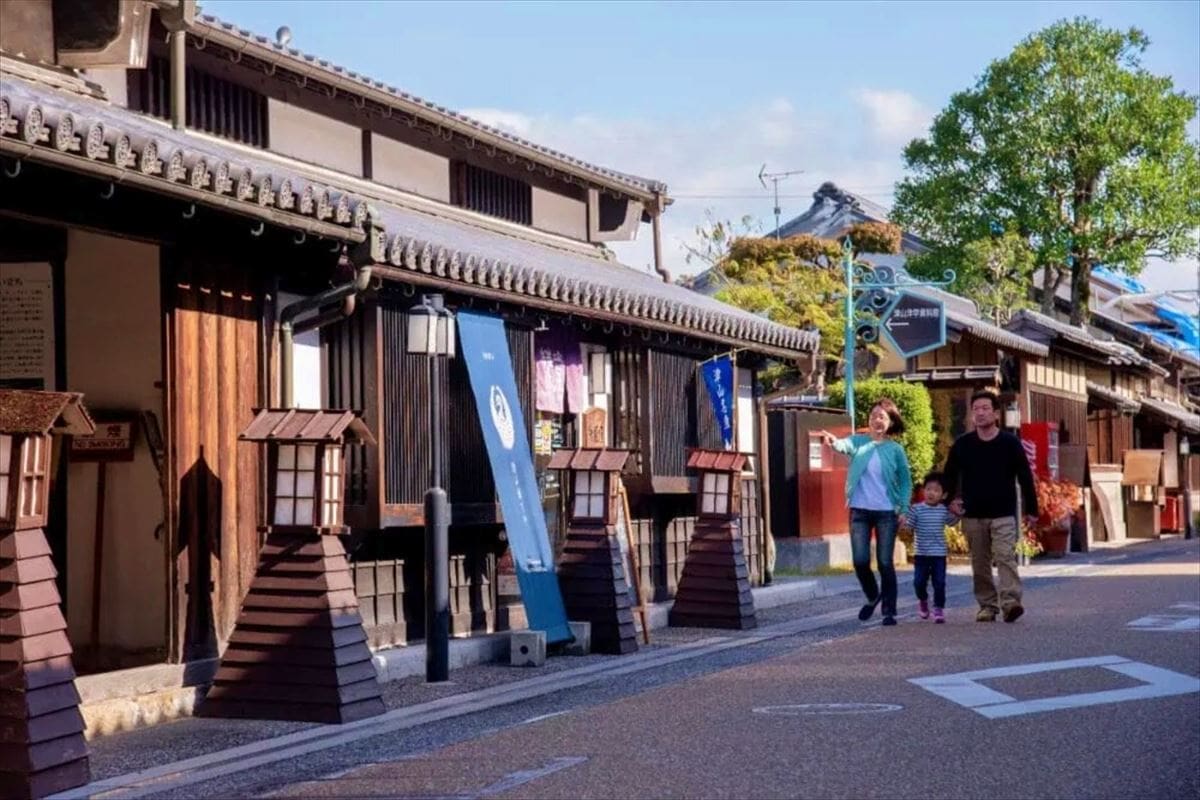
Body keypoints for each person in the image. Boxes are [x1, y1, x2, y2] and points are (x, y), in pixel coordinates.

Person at [943, 390, 1038, 623]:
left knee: (1005, 556)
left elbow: (1025, 476)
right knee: (979, 562)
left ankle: (1010, 602)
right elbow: (949, 476)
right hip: (973, 513)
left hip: (1003, 512)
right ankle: (987, 605)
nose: (981, 413)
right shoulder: (963, 445)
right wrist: (949, 501)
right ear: (972, 414)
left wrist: (1032, 509)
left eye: (986, 408)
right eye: (976, 409)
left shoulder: (1010, 443)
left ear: (996, 413)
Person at [819, 399, 913, 627]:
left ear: (890, 422)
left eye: (882, 416)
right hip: (859, 510)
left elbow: (905, 481)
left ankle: (889, 611)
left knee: (884, 562)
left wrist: (903, 507)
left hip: (887, 512)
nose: (876, 420)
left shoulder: (895, 450)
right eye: (873, 416)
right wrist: (833, 442)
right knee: (860, 561)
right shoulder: (859, 442)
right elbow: (844, 446)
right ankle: (873, 596)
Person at [904, 472, 960, 623]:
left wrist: (958, 514)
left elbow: (952, 522)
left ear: (943, 494)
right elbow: (908, 526)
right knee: (919, 582)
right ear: (924, 490)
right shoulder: (916, 509)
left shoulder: (943, 510)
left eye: (936, 490)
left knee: (939, 582)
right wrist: (903, 525)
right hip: (921, 554)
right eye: (928, 489)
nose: (931, 493)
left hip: (938, 555)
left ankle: (938, 609)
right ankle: (923, 601)